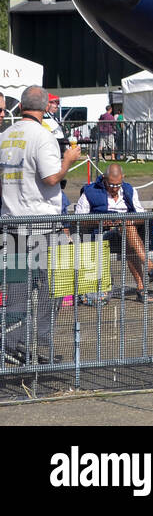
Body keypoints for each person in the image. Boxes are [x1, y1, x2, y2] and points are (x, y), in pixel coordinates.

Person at [1, 85, 82, 364]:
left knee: (17, 293)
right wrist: (68, 160)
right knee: (50, 292)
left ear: (21, 106)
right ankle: (41, 347)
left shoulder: (6, 136)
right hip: (44, 227)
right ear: (46, 106)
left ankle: (12, 346)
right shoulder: (43, 136)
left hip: (12, 225)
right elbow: (50, 178)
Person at [74, 163, 153, 303]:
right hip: (101, 235)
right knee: (127, 229)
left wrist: (128, 220)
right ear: (104, 178)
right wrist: (101, 222)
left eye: (117, 185)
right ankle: (149, 266)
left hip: (127, 235)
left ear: (123, 178)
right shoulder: (90, 192)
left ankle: (141, 289)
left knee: (128, 233)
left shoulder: (129, 190)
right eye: (111, 184)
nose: (114, 188)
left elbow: (142, 218)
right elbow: (78, 220)